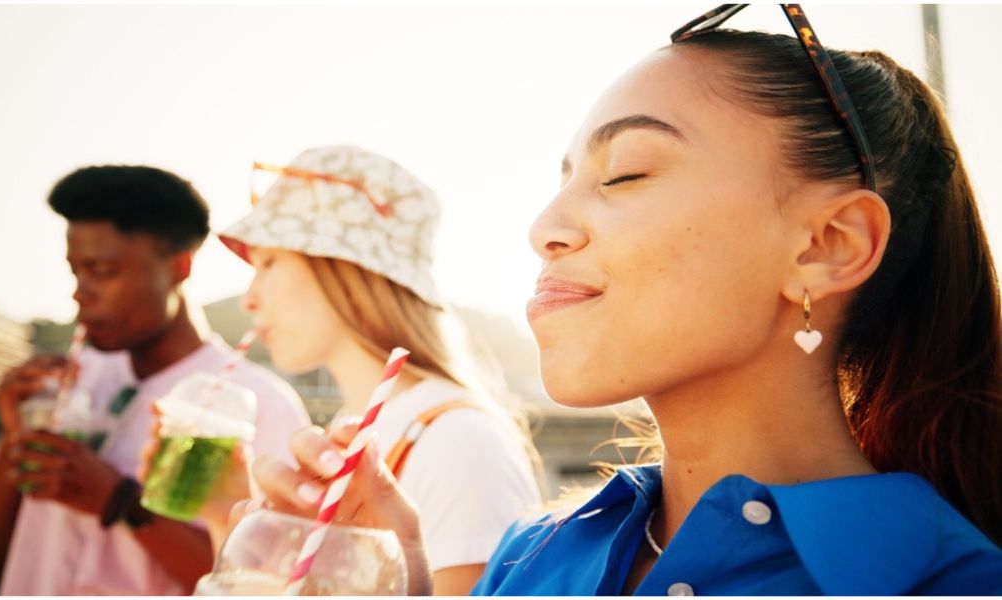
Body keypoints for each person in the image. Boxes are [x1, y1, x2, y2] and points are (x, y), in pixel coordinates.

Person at [251, 5, 1002, 596]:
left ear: (826, 244)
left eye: (625, 173)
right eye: (564, 178)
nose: (543, 228)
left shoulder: (958, 585)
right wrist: (394, 581)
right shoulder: (527, 557)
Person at [0, 165, 310, 595]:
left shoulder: (257, 404)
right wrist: (16, 446)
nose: (79, 292)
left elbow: (267, 585)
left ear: (179, 266)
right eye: (75, 272)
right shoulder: (62, 388)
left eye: (102, 271)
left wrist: (118, 500)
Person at [215, 145, 543, 595]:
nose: (248, 298)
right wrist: (222, 516)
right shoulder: (357, 431)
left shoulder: (457, 439)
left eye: (269, 262)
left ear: (346, 268)